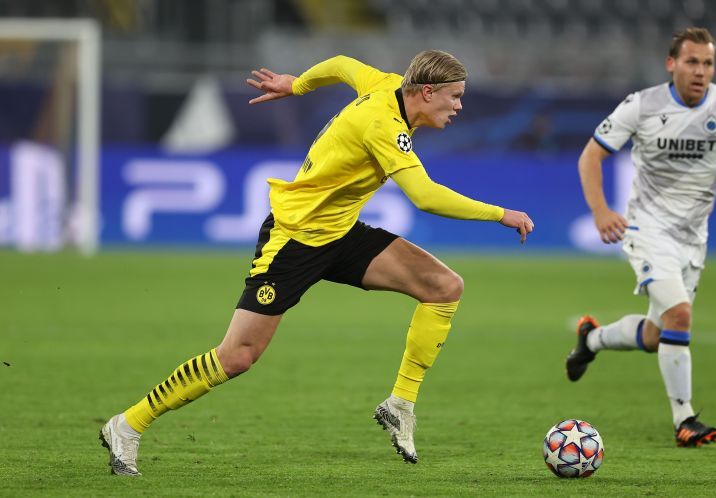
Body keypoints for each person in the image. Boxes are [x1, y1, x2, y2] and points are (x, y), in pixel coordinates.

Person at [99, 50, 534, 476]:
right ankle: (128, 424)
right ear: (425, 91)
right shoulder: (383, 124)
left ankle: (400, 403)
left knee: (444, 286)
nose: (459, 106)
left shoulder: (386, 85)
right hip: (295, 240)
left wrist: (297, 84)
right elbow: (424, 195)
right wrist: (501, 213)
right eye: (454, 96)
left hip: (340, 234)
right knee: (237, 356)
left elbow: (343, 64)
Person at [566, 27, 716, 447]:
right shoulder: (642, 105)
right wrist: (602, 211)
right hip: (647, 228)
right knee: (679, 315)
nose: (701, 71)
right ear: (671, 64)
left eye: (708, 63)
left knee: (659, 334)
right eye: (692, 62)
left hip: (693, 238)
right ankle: (685, 419)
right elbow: (591, 156)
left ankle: (592, 338)